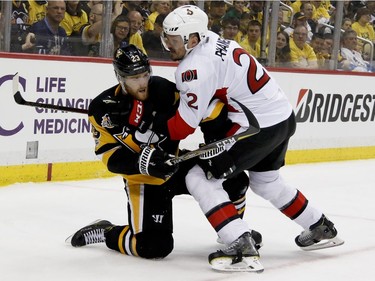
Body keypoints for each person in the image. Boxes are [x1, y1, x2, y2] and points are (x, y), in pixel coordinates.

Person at [160, 5, 342, 270]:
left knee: (199, 176)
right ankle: (320, 226)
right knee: (266, 182)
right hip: (282, 118)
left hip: (256, 128)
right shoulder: (217, 41)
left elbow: (182, 128)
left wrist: (153, 125)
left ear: (192, 39)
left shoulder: (193, 67)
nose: (168, 45)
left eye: (174, 39)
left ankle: (240, 244)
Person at [66, 44, 259, 262]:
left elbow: (209, 107)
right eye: (134, 77)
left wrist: (216, 144)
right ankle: (106, 231)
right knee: (154, 247)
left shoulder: (164, 90)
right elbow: (110, 158)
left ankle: (232, 233)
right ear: (120, 76)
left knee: (235, 179)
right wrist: (144, 162)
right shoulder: (103, 108)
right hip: (145, 179)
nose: (142, 83)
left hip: (176, 163)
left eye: (145, 74)